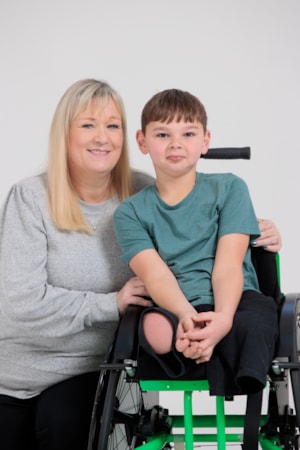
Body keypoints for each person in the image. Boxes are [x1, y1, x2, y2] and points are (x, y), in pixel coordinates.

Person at [0, 79, 281, 450]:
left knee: (59, 427)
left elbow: (210, 236)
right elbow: (19, 302)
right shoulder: (35, 198)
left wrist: (257, 231)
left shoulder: (150, 187)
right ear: (144, 141)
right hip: (21, 367)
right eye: (88, 124)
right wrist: (116, 303)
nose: (102, 137)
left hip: (96, 367)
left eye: (111, 125)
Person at [113, 88, 280, 397]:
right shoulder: (130, 212)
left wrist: (224, 320)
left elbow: (228, 266)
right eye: (162, 134)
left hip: (235, 296)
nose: (176, 143)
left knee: (257, 317)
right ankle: (191, 341)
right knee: (156, 329)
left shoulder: (230, 188)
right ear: (142, 141)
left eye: (188, 133)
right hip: (176, 302)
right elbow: (156, 275)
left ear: (205, 141)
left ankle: (212, 348)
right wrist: (189, 318)